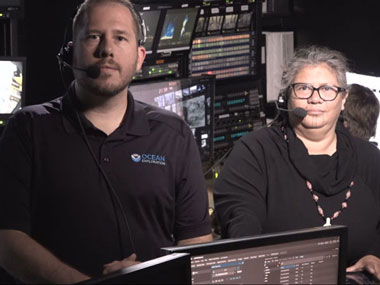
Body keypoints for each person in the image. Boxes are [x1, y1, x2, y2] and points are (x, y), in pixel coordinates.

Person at [0, 0, 212, 283]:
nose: (106, 50)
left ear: (139, 58)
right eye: (93, 36)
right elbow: (7, 240)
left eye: (120, 38)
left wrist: (148, 275)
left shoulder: (175, 135)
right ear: (71, 52)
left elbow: (196, 244)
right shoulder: (27, 129)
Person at [214, 46, 380, 280]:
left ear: (343, 99)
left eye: (327, 89)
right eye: (303, 88)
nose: (315, 98)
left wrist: (376, 255)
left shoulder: (369, 159)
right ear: (286, 97)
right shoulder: (254, 152)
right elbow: (243, 236)